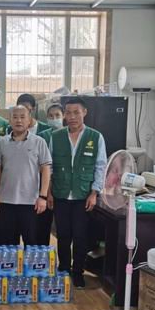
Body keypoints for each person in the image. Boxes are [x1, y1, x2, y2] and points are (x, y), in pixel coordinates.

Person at [48, 97, 107, 288]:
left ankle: (78, 271)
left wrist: (94, 192)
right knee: (63, 235)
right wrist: (48, 192)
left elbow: (100, 166)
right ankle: (64, 268)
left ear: (84, 113)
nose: (72, 117)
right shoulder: (56, 136)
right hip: (61, 193)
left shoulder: (95, 137)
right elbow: (49, 167)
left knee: (80, 236)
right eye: (68, 113)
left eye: (76, 112)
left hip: (83, 195)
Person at [0, 105, 51, 245]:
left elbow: (46, 169)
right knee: (8, 244)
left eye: (22, 117)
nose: (19, 120)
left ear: (29, 120)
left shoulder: (39, 142)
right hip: (6, 201)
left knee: (31, 243)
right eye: (15, 117)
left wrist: (43, 196)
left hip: (31, 202)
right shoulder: (2, 142)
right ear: (9, 120)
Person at [36, 103, 65, 245]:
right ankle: (43, 254)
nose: (54, 119)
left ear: (63, 116)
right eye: (51, 116)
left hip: (64, 187)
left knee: (63, 229)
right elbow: (42, 165)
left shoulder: (69, 135)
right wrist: (47, 192)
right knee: (43, 226)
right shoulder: (42, 137)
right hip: (46, 187)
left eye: (57, 115)